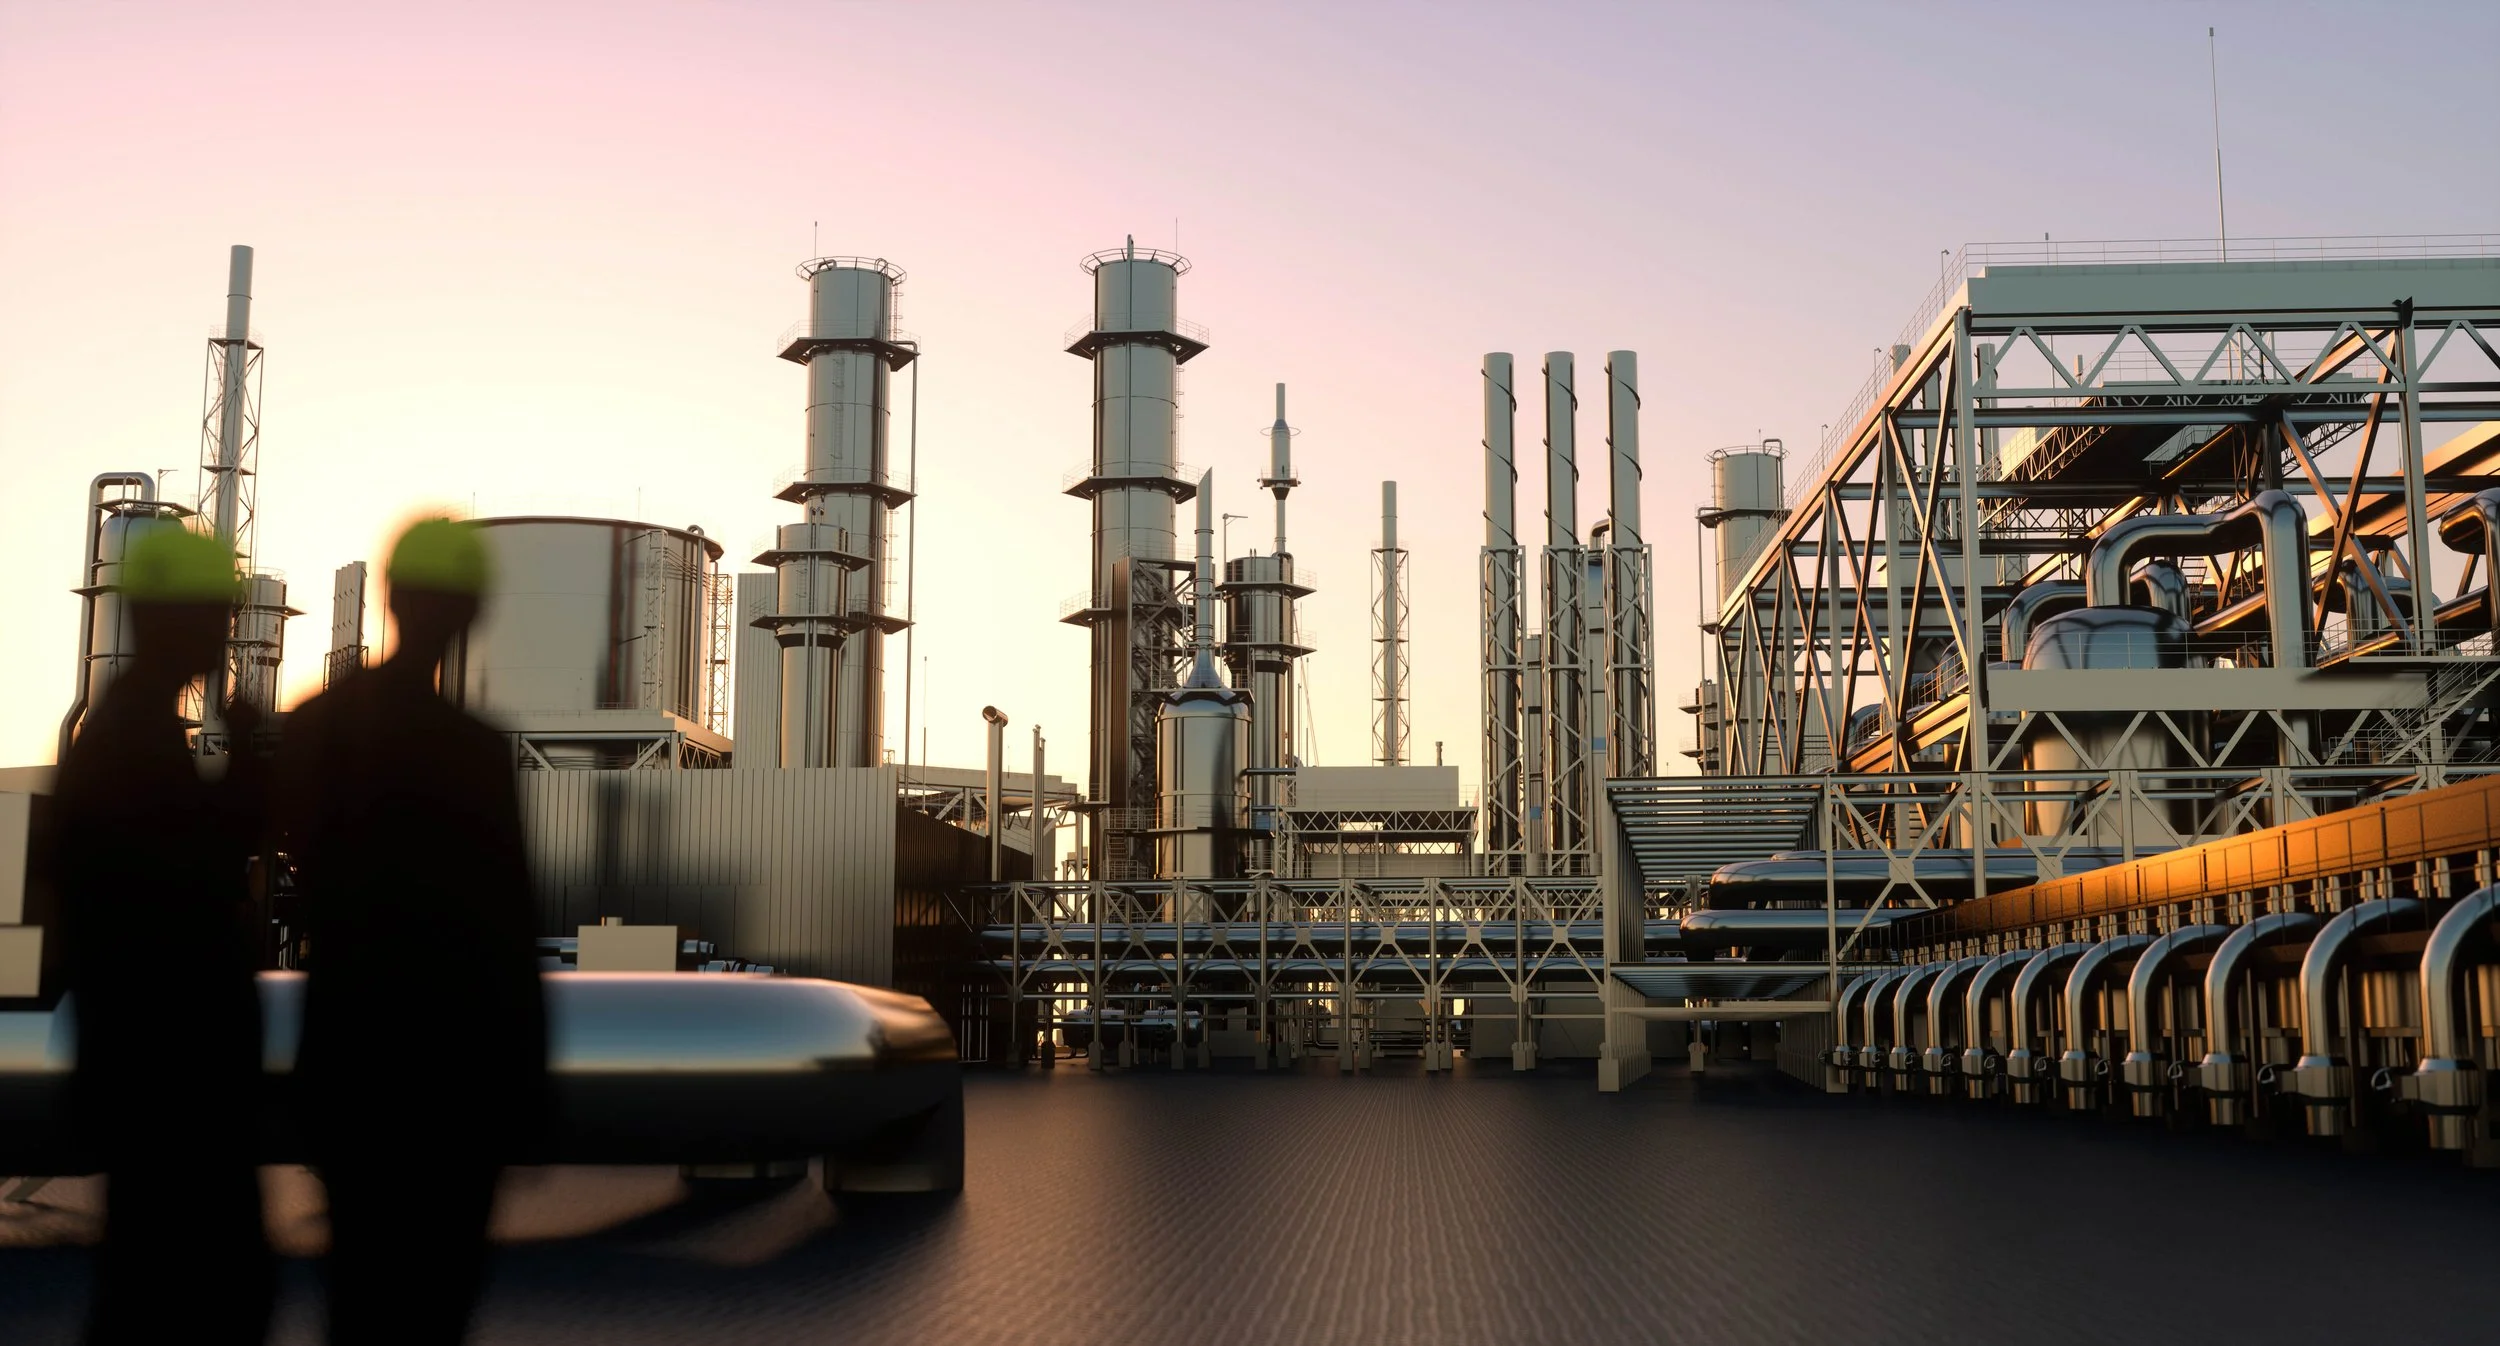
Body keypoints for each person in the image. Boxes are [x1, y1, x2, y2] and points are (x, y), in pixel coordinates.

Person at [276, 518, 548, 1345]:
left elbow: (295, 885)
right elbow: (508, 930)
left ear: (390, 598)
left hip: (352, 1063)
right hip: (451, 1079)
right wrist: (526, 1088)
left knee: (359, 1294)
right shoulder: (472, 750)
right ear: (468, 613)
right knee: (437, 1302)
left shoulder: (311, 727)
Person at [52, 523, 273, 1346]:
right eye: (216, 615)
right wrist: (248, 775)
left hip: (152, 1078)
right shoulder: (129, 745)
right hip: (171, 1082)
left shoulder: (127, 732)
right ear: (174, 619)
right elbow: (180, 889)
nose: (224, 632)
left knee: (157, 1293)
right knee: (185, 1296)